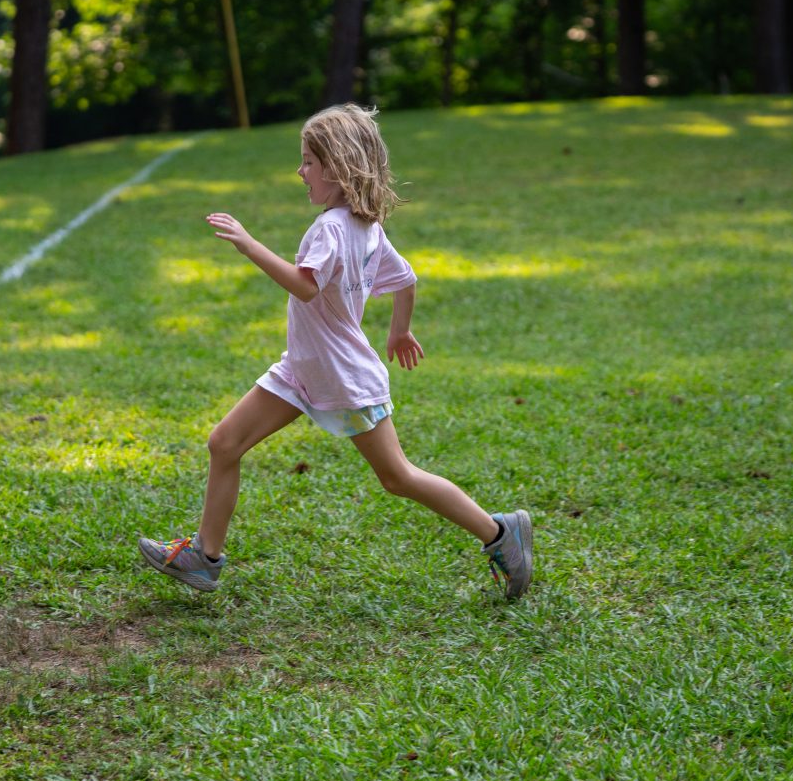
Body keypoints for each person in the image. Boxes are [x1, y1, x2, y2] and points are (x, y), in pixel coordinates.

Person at [137, 104, 533, 598]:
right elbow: (406, 280)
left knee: (398, 477)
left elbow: (306, 287)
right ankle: (205, 557)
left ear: (339, 166)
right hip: (302, 369)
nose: (300, 171)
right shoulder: (365, 226)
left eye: (308, 162)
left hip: (342, 376)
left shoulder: (332, 228)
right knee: (224, 443)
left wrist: (249, 245)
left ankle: (500, 533)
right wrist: (399, 331)